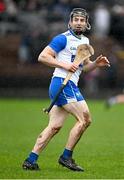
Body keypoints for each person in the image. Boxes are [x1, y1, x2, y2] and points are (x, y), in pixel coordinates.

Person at [22, 8, 110, 172]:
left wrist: (96, 64)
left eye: (82, 20)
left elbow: (82, 68)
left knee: (54, 127)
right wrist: (64, 65)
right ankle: (66, 157)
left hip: (69, 85)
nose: (78, 22)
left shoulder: (85, 41)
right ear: (70, 22)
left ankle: (30, 160)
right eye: (75, 19)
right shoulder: (62, 39)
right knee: (85, 120)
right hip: (62, 83)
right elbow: (43, 56)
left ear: (86, 24)